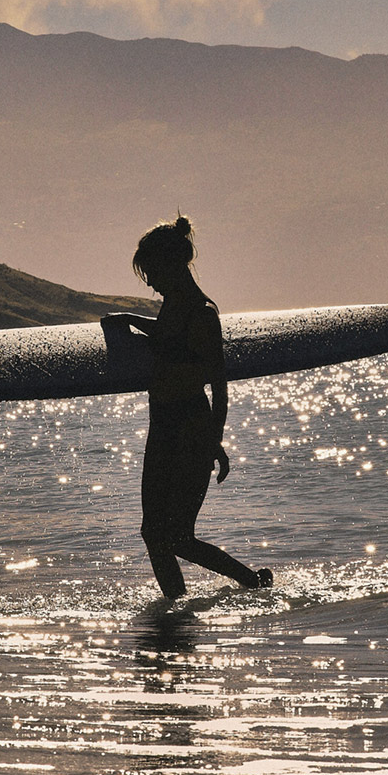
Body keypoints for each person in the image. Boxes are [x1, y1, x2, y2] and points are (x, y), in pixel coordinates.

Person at [102, 216, 271, 601]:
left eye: (152, 272)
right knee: (153, 533)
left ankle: (252, 584)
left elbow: (220, 387)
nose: (149, 282)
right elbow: (166, 335)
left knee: (178, 537)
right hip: (161, 427)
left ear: (173, 265)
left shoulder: (202, 314)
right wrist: (129, 320)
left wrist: (214, 442)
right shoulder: (172, 310)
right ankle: (177, 610)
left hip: (190, 428)